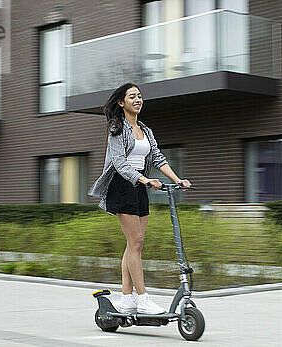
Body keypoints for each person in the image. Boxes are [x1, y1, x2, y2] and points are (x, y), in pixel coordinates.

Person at [89, 83, 191, 314]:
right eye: (132, 96)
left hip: (139, 188)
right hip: (122, 186)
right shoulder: (117, 129)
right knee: (135, 243)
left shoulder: (145, 130)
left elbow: (156, 157)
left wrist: (178, 180)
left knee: (135, 244)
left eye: (139, 96)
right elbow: (119, 163)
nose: (138, 100)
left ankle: (126, 298)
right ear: (121, 102)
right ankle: (142, 298)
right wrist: (144, 180)